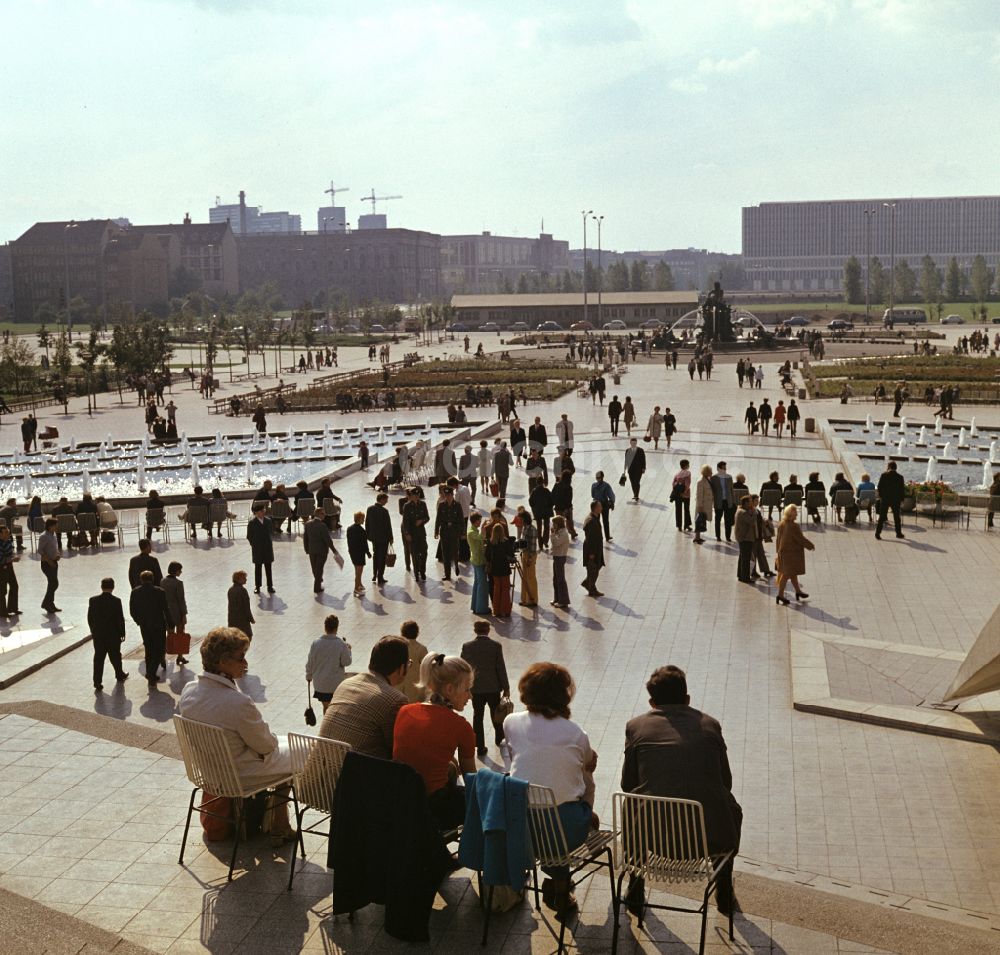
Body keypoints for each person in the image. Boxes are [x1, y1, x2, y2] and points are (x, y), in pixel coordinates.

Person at [621, 665, 742, 917]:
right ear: (687, 699)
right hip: (707, 840)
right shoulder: (710, 725)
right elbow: (726, 781)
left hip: (653, 840)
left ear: (652, 702)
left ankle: (635, 886)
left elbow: (627, 784)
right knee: (732, 808)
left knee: (633, 802)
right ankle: (723, 887)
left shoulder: (636, 727)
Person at [178, 628, 296, 844]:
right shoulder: (237, 702)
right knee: (300, 754)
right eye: (240, 657)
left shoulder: (189, 691)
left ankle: (278, 823)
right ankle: (280, 825)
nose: (245, 663)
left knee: (287, 747)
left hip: (209, 771)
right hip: (239, 775)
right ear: (223, 662)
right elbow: (266, 746)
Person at [503, 662, 598, 919]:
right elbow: (588, 762)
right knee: (583, 781)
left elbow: (515, 757)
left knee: (544, 808)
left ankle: (557, 881)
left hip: (521, 824)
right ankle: (560, 885)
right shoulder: (576, 732)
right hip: (564, 830)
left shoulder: (511, 722)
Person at [392, 653, 477, 830]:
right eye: (467, 689)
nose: (470, 696)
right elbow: (472, 781)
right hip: (434, 807)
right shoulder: (461, 726)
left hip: (401, 800)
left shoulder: (405, 711)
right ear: (449, 690)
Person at [319, 635, 409, 757]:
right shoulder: (394, 700)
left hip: (317, 771)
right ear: (402, 667)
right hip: (352, 773)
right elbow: (399, 748)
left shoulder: (346, 683)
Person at [461, 621, 510, 757]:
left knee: (478, 716)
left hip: (475, 689)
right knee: (496, 714)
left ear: (475, 630)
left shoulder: (467, 646)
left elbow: (463, 668)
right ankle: (499, 738)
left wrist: (465, 686)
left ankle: (480, 746)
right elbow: (500, 668)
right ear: (488, 630)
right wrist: (506, 687)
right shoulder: (495, 646)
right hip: (493, 688)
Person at [130, 569, 172, 687]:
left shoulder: (135, 592)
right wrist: (171, 623)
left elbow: (132, 610)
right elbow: (165, 609)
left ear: (141, 580)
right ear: (152, 579)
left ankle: (151, 676)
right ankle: (150, 673)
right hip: (158, 624)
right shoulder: (159, 591)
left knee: (149, 649)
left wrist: (139, 621)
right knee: (159, 650)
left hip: (144, 625)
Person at [306, 614, 352, 713]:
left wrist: (308, 676)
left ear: (325, 627)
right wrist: (348, 650)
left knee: (326, 707)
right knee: (334, 707)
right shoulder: (340, 644)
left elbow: (310, 662)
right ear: (336, 628)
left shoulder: (316, 643)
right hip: (335, 686)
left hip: (320, 685)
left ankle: (326, 724)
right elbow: (346, 662)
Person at [88, 577, 128, 691]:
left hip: (99, 635)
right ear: (113, 587)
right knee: (115, 656)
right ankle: (119, 674)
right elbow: (120, 618)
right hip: (113, 635)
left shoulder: (93, 600)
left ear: (101, 586)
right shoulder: (116, 601)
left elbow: (90, 618)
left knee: (99, 658)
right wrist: (122, 632)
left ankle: (97, 682)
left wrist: (93, 631)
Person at [775, 504, 814, 605]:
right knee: (786, 574)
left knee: (792, 573)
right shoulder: (794, 526)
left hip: (783, 552)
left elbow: (778, 539)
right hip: (792, 554)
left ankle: (798, 591)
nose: (797, 514)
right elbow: (800, 539)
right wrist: (810, 545)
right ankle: (780, 595)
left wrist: (778, 551)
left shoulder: (781, 524)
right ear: (791, 515)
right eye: (795, 512)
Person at [161, 561, 189, 667]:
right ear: (176, 571)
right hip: (177, 612)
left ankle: (163, 657)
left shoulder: (162, 581)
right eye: (180, 570)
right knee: (180, 634)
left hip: (166, 613)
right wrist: (184, 614)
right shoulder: (178, 583)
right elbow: (181, 600)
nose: (181, 572)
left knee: (169, 635)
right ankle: (180, 656)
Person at [303, 511, 338, 594]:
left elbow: (305, 538)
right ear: (320, 515)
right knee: (319, 568)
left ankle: (318, 580)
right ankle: (317, 587)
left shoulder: (307, 524)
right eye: (323, 514)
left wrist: (307, 549)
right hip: (322, 551)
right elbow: (327, 539)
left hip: (312, 550)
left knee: (315, 568)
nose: (325, 515)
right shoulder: (322, 526)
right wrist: (334, 550)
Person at [364, 493, 393, 587]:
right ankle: (380, 576)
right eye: (386, 500)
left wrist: (368, 535)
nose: (387, 502)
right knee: (382, 557)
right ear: (382, 499)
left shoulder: (370, 509)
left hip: (374, 538)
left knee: (376, 555)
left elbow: (367, 523)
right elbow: (388, 526)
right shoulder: (384, 511)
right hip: (384, 538)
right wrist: (391, 537)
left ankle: (374, 574)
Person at [435, 486, 464, 581]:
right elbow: (438, 518)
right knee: (445, 553)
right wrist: (436, 531)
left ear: (452, 495)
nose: (447, 497)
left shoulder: (457, 505)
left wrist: (462, 532)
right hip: (444, 531)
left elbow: (461, 519)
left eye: (449, 495)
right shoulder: (441, 505)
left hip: (454, 532)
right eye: (445, 495)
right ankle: (447, 574)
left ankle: (456, 565)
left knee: (455, 551)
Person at [402, 487, 430, 583]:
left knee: (424, 552)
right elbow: (405, 521)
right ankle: (416, 573)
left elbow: (427, 517)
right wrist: (407, 534)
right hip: (412, 534)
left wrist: (422, 521)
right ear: (411, 496)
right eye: (415, 495)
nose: (417, 497)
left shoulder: (423, 504)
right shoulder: (407, 506)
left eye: (418, 495)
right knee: (414, 554)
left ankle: (422, 570)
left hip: (421, 533)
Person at [246, 502, 275, 594]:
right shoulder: (252, 523)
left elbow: (271, 532)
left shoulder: (268, 521)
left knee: (268, 567)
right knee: (258, 568)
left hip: (267, 547)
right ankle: (257, 586)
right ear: (257, 512)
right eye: (262, 511)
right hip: (257, 548)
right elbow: (249, 536)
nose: (264, 512)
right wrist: (254, 544)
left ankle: (270, 586)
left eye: (264, 510)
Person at [487, 522, 514, 617]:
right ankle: (505, 610)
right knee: (506, 588)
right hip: (504, 568)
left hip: (495, 569)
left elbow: (487, 556)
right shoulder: (506, 542)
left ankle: (497, 610)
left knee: (497, 589)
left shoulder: (491, 542)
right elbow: (511, 554)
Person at [875, 460, 906, 540]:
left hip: (885, 499)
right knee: (896, 517)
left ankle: (877, 534)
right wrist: (901, 499)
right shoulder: (900, 477)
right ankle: (898, 533)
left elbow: (879, 487)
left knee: (882, 517)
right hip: (895, 500)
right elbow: (902, 490)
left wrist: (882, 496)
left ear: (888, 467)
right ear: (896, 467)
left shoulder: (884, 475)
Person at [400, 620, 428, 703]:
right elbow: (427, 667)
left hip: (398, 686)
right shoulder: (421, 649)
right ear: (417, 633)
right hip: (415, 687)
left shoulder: (397, 647)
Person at [467, 512, 490, 615]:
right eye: (479, 521)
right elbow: (481, 537)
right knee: (482, 584)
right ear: (474, 521)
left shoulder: (474, 530)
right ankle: (481, 608)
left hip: (477, 559)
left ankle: (475, 606)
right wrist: (483, 529)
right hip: (478, 560)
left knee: (477, 583)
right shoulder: (471, 532)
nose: (480, 523)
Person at [581, 501, 605, 597]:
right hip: (592, 549)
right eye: (600, 506)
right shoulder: (591, 520)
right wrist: (591, 553)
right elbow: (590, 538)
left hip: (597, 548)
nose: (601, 508)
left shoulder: (595, 517)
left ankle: (589, 584)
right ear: (595, 508)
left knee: (597, 566)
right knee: (593, 568)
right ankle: (592, 588)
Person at [38, 518, 61, 614]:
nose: (57, 527)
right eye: (55, 525)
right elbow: (40, 550)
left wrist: (58, 554)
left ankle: (50, 603)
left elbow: (54, 547)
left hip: (54, 562)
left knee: (53, 583)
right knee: (53, 583)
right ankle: (46, 603)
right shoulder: (44, 536)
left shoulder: (53, 535)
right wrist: (48, 560)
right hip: (47, 563)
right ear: (50, 526)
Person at [733, 496, 759, 584]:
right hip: (745, 538)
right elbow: (751, 521)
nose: (751, 504)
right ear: (745, 503)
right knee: (746, 558)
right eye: (750, 502)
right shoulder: (743, 512)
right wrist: (755, 512)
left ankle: (740, 575)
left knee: (742, 556)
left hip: (743, 537)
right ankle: (745, 577)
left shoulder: (740, 511)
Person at [346, 511, 371, 596]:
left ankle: (359, 584)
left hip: (353, 552)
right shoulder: (361, 530)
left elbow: (349, 541)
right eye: (363, 518)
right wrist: (368, 552)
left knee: (357, 570)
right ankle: (356, 588)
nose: (364, 520)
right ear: (359, 519)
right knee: (359, 572)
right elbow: (364, 543)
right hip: (360, 553)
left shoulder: (349, 528)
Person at [711, 462, 736, 542]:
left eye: (725, 468)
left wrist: (733, 502)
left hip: (728, 501)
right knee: (718, 519)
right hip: (719, 502)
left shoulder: (729, 477)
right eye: (723, 468)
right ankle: (718, 536)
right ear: (718, 469)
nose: (724, 470)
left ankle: (728, 537)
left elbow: (732, 490)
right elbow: (712, 491)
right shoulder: (714, 478)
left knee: (728, 520)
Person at [549, 514, 571, 609]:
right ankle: (557, 598)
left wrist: (552, 534)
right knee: (556, 579)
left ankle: (563, 600)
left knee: (560, 579)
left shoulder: (564, 533)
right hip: (556, 556)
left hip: (560, 556)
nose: (553, 525)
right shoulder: (559, 531)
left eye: (554, 524)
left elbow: (556, 543)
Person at [518, 513, 539, 607]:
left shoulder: (532, 529)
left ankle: (532, 599)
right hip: (525, 554)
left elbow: (533, 546)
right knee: (525, 577)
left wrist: (530, 558)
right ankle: (525, 599)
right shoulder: (525, 528)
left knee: (531, 577)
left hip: (530, 555)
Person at [227, 569, 255, 640]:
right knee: (247, 637)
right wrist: (251, 619)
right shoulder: (242, 591)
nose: (246, 579)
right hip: (242, 620)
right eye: (244, 578)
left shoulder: (230, 590)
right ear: (238, 579)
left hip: (232, 619)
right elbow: (246, 607)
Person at [0, 525, 20, 618]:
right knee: (2, 590)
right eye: (6, 532)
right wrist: (11, 559)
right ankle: (2, 612)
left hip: (9, 566)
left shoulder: (8, 541)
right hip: (1, 568)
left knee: (14, 586)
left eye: (8, 532)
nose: (8, 534)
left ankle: (12, 608)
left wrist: (13, 558)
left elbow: (10, 552)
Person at [528, 477, 553, 550]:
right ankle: (545, 540)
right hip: (546, 511)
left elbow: (530, 501)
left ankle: (540, 543)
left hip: (538, 512)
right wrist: (549, 506)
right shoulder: (546, 490)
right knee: (546, 526)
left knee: (539, 528)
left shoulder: (534, 491)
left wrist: (534, 508)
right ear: (543, 482)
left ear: (537, 482)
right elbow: (551, 500)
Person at [590, 471, 615, 541]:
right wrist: (612, 502)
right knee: (605, 521)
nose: (598, 479)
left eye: (598, 478)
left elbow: (592, 495)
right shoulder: (606, 486)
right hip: (604, 505)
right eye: (597, 478)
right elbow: (612, 496)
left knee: (596, 522)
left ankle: (598, 537)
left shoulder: (593, 485)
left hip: (595, 504)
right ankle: (607, 536)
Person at [693, 464, 714, 545]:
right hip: (702, 505)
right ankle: (696, 537)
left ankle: (698, 537)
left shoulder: (707, 479)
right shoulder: (701, 481)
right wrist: (700, 506)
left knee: (701, 520)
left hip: (706, 504)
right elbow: (699, 495)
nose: (711, 473)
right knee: (699, 520)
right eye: (710, 471)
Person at [671, 460, 692, 532]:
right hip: (686, 495)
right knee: (686, 510)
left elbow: (673, 484)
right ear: (686, 465)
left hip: (678, 495)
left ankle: (679, 525)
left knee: (678, 510)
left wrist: (678, 491)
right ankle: (687, 525)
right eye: (688, 464)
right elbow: (687, 484)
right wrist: (684, 491)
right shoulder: (688, 473)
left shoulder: (677, 474)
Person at [624, 437, 646, 502]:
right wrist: (625, 468)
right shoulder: (627, 450)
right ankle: (635, 494)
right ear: (630, 443)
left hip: (638, 470)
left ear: (636, 443)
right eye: (632, 443)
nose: (633, 444)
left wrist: (644, 468)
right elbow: (626, 460)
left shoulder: (640, 450)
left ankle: (636, 495)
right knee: (632, 482)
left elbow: (643, 459)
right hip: (631, 470)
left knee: (637, 482)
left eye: (635, 443)